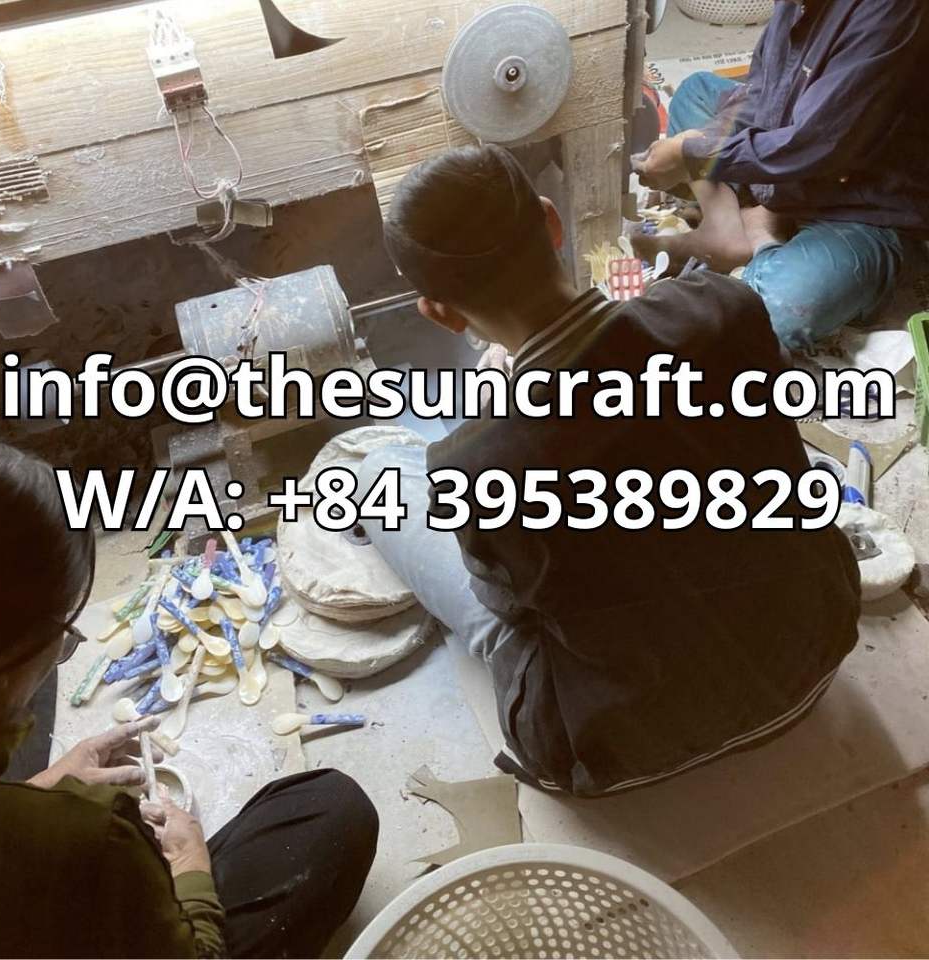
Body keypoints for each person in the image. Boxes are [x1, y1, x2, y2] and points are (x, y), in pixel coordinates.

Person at [358, 144, 861, 797]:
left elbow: (511, 609)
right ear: (551, 222)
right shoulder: (724, 308)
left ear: (440, 312)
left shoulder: (476, 464)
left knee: (380, 472)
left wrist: (505, 420)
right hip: (815, 651)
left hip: (622, 749)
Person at [0, 439, 378, 959]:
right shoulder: (93, 837)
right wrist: (188, 867)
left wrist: (40, 789)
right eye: (62, 636)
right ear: (8, 657)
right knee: (334, 811)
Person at [632, 0, 929, 351]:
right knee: (694, 94)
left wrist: (694, 152)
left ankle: (759, 232)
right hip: (793, 160)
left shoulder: (891, 9)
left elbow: (819, 143)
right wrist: (705, 143)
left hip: (864, 204)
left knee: (775, 311)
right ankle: (728, 225)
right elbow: (763, 92)